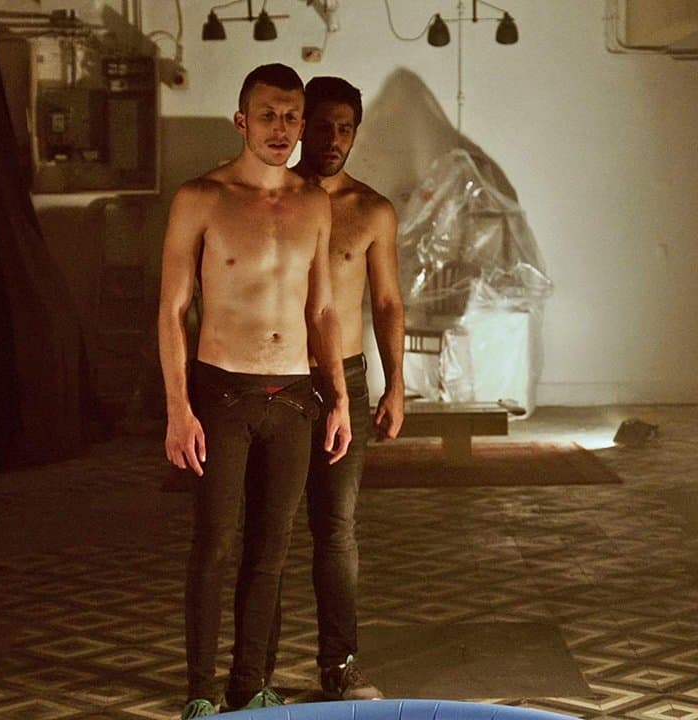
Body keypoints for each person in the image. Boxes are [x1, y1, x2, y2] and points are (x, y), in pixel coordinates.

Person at [157, 63, 352, 719]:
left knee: (271, 552)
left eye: (292, 117)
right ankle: (200, 690)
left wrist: (339, 397)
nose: (281, 129)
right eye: (267, 115)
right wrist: (178, 409)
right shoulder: (202, 198)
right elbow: (171, 311)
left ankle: (251, 683)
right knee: (214, 546)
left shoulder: (313, 203)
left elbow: (323, 309)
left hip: (294, 397)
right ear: (241, 121)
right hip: (223, 394)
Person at [264, 75, 405, 701]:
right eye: (322, 125)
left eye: (345, 128)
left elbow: (387, 302)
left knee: (337, 528)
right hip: (277, 377)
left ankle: (339, 665)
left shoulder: (371, 210)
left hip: (343, 375)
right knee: (268, 530)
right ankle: (255, 670)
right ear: (300, 127)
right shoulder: (273, 199)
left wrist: (396, 385)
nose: (332, 139)